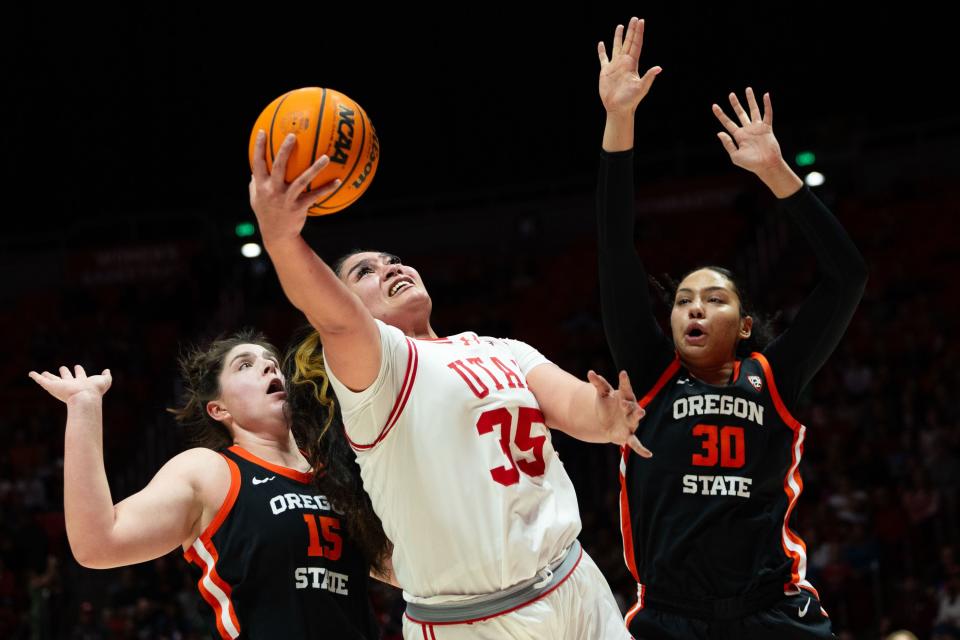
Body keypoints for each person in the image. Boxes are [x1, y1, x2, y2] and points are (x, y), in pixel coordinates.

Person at [247, 69, 650, 639]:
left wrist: (608, 418)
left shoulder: (501, 348)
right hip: (476, 622)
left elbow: (577, 406)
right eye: (365, 271)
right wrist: (283, 238)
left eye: (391, 259)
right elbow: (334, 316)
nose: (389, 267)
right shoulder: (379, 369)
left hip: (575, 585)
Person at [596, 16, 868, 639]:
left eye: (713, 299)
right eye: (684, 299)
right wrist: (619, 121)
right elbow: (615, 249)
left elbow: (847, 276)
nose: (694, 307)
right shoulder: (652, 370)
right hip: (670, 620)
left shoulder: (774, 376)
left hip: (776, 615)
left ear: (745, 325)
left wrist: (777, 175)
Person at [29, 329, 390, 639]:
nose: (269, 365)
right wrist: (84, 406)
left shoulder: (337, 474)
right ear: (220, 409)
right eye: (245, 365)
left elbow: (404, 568)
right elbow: (97, 544)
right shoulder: (211, 472)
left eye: (272, 361)